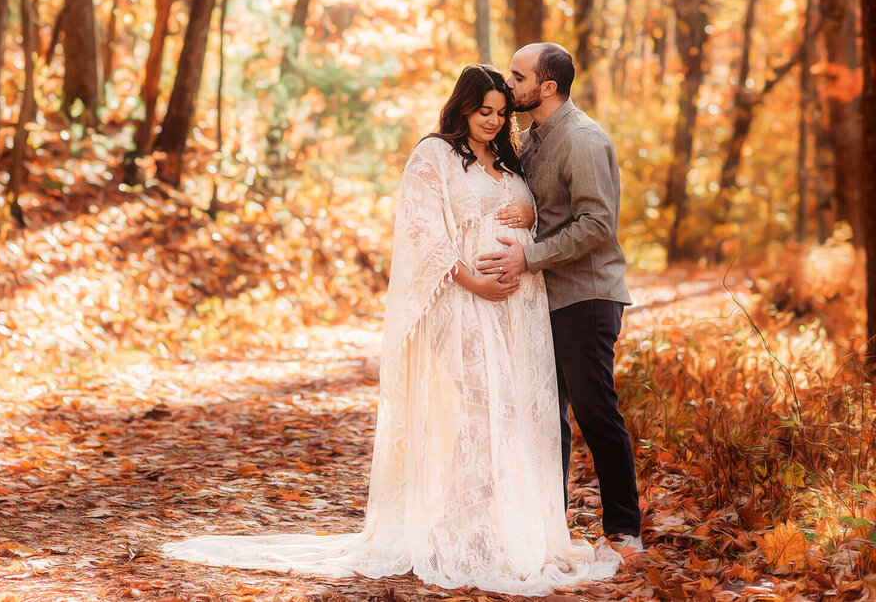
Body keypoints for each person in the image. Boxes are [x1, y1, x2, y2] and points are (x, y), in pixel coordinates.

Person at [163, 65, 621, 594]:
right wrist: (475, 281)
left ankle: (500, 529)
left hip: (517, 313)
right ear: (463, 107)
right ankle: (457, 529)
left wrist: (525, 210)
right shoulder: (434, 155)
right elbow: (423, 234)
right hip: (461, 304)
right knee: (476, 407)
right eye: (483, 111)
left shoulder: (510, 161)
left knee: (512, 415)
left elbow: (541, 219)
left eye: (500, 112)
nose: (493, 121)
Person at [475, 43, 643, 551]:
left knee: (595, 411)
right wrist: (530, 217)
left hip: (587, 294)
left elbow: (596, 225)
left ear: (546, 88)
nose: (509, 84)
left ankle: (624, 529)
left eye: (517, 76)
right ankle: (549, 524)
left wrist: (528, 255)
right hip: (547, 296)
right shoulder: (533, 137)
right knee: (548, 412)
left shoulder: (583, 139)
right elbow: (546, 206)